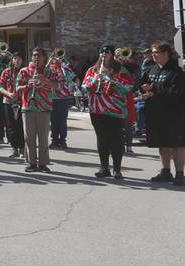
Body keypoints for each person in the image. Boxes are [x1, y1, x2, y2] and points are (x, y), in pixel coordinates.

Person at [82, 46, 133, 179]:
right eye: (102, 52)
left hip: (115, 110)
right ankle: (104, 167)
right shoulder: (92, 69)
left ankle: (117, 169)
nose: (104, 54)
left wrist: (112, 78)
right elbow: (84, 87)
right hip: (97, 110)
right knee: (102, 138)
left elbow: (128, 87)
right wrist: (95, 80)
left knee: (116, 139)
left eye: (107, 52)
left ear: (112, 55)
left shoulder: (120, 70)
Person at [140, 43, 185, 185]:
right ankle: (165, 171)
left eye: (157, 52)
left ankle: (179, 175)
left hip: (173, 114)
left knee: (177, 144)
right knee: (162, 143)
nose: (154, 55)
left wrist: (154, 93)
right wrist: (144, 89)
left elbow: (176, 93)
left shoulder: (176, 72)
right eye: (153, 52)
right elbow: (141, 85)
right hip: (155, 113)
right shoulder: (150, 69)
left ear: (166, 54)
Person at [15, 47, 59, 172]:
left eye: (39, 55)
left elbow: (56, 86)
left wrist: (45, 80)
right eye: (34, 55)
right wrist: (27, 85)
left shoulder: (49, 71)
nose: (36, 58)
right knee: (29, 137)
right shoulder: (24, 71)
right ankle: (31, 163)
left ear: (44, 57)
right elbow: (17, 88)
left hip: (44, 107)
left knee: (43, 137)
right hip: (28, 107)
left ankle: (43, 163)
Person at [0, 54, 26, 158]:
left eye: (19, 58)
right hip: (8, 101)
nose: (17, 60)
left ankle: (22, 148)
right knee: (10, 126)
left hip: (22, 102)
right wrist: (9, 94)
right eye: (15, 58)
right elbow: (0, 86)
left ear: (22, 60)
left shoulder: (25, 71)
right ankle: (14, 148)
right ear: (12, 60)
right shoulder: (6, 72)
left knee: (21, 125)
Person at [49, 56, 76, 150]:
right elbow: (45, 76)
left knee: (62, 121)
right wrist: (49, 63)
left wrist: (62, 66)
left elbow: (70, 78)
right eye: (54, 59)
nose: (56, 61)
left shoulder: (65, 68)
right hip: (52, 97)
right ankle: (54, 140)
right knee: (53, 121)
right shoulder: (50, 68)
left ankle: (63, 140)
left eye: (58, 59)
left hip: (63, 97)